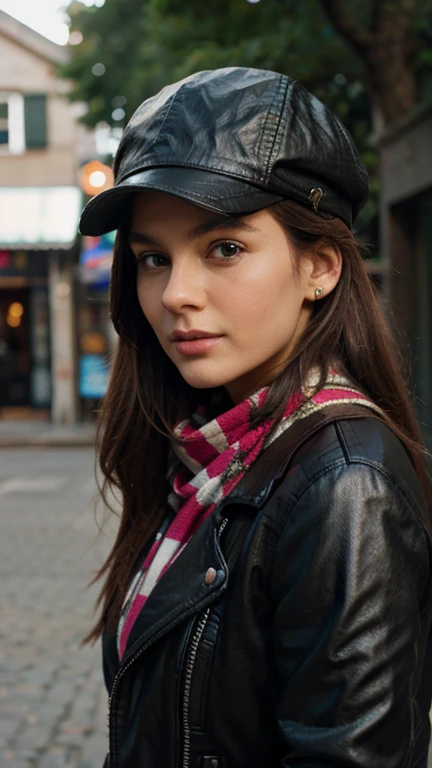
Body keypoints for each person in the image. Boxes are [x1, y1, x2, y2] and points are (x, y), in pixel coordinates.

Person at [79, 68, 432, 768]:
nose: (176, 293)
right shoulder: (206, 455)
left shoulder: (344, 488)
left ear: (320, 267)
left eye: (225, 249)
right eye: (153, 257)